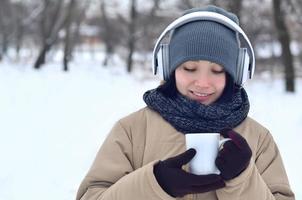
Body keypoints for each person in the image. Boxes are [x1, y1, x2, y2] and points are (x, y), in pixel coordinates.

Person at [76, 5, 295, 200]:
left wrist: (243, 180)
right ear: (167, 67)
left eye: (218, 70)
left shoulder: (259, 139)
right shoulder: (132, 131)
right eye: (189, 68)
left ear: (235, 74)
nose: (202, 82)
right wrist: (155, 184)